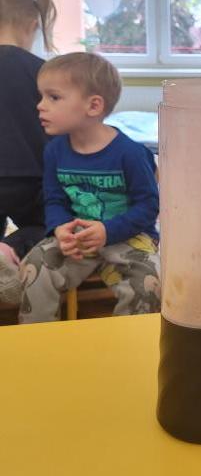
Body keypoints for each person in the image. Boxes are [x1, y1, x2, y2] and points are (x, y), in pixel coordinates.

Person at [18, 52, 161, 323]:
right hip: (78, 238)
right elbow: (54, 200)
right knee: (34, 266)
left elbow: (148, 206)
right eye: (41, 96)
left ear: (93, 106)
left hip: (128, 236)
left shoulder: (130, 153)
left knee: (149, 280)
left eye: (53, 97)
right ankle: (36, 341)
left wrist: (108, 231)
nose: (40, 106)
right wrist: (60, 228)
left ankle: (131, 343)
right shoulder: (54, 151)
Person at [0, 0, 56, 304]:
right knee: (53, 225)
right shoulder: (44, 73)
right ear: (32, 25)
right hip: (32, 178)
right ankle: (13, 247)